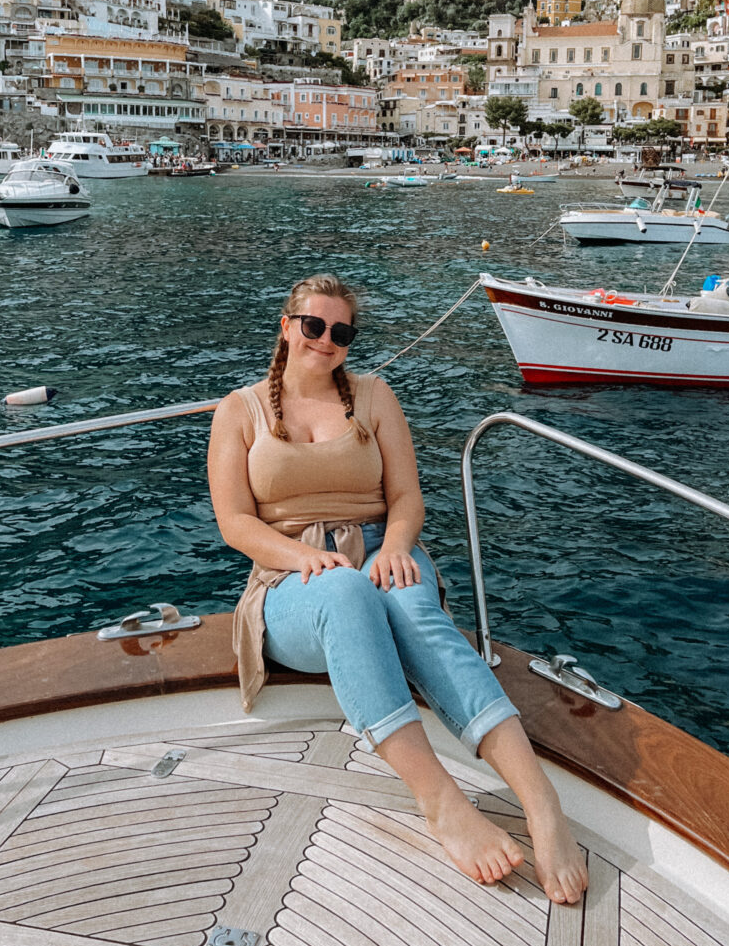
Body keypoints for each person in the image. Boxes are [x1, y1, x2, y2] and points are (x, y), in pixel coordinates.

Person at [208, 273, 588, 904]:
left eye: (341, 332)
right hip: (287, 578)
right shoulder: (239, 410)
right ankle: (442, 804)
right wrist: (308, 556)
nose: (326, 340)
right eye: (314, 326)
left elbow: (407, 496)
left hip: (382, 550)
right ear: (287, 326)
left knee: (415, 609)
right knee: (347, 595)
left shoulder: (374, 397)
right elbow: (236, 523)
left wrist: (392, 547)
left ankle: (542, 803)